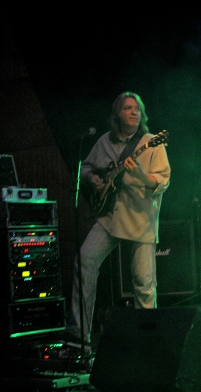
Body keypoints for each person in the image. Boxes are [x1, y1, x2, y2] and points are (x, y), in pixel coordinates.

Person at [64, 91, 171, 349]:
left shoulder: (151, 142)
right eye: (128, 108)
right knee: (85, 261)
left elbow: (163, 182)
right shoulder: (104, 141)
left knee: (143, 283)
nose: (134, 112)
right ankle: (79, 333)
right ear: (117, 114)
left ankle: (147, 342)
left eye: (137, 108)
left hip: (140, 219)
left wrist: (142, 176)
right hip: (110, 216)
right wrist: (92, 179)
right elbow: (86, 167)